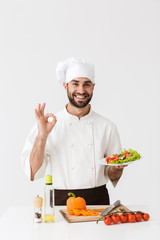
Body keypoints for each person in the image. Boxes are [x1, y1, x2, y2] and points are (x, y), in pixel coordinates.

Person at [21, 57, 127, 205]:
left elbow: (112, 174)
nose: (81, 90)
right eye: (75, 84)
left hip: (97, 202)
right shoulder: (47, 125)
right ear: (66, 86)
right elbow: (32, 172)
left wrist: (117, 169)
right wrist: (42, 136)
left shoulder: (107, 126)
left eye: (86, 84)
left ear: (93, 87)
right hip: (59, 202)